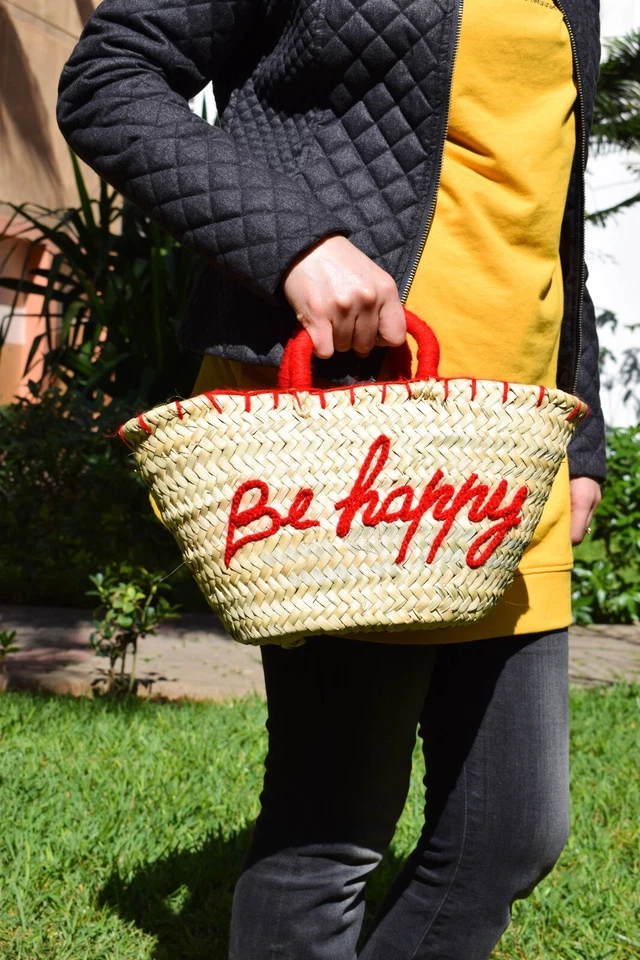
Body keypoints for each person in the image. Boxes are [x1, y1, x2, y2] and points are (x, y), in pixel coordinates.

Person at [57, 1, 605, 956]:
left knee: (511, 836)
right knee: (331, 838)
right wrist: (296, 243)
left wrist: (581, 436)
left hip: (513, 446)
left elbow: (555, 209)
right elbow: (110, 79)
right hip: (356, 440)